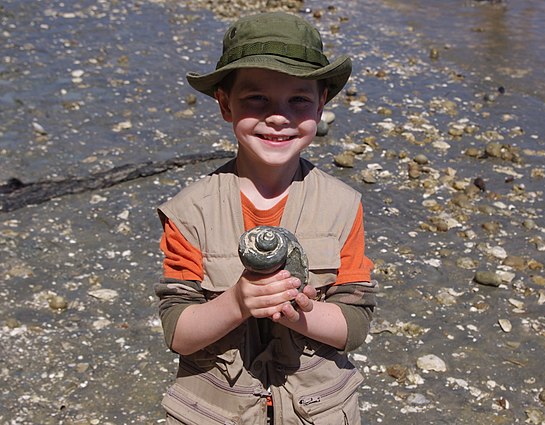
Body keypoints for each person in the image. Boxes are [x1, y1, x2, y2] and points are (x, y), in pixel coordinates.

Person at [154, 11, 378, 425]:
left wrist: (300, 313)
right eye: (256, 98)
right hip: (214, 411)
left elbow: (355, 324)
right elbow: (179, 334)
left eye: (298, 100)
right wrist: (238, 301)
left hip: (319, 408)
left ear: (321, 103)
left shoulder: (342, 206)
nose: (278, 116)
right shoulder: (189, 212)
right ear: (225, 104)